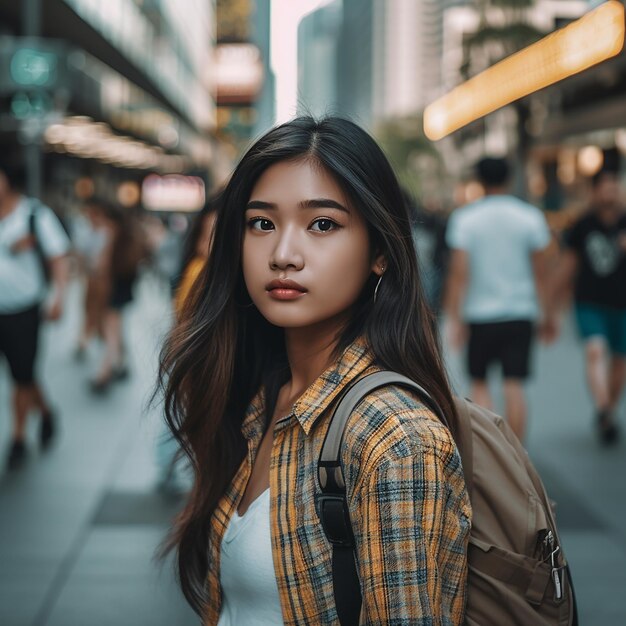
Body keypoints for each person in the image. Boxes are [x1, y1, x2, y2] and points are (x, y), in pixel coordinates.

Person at [157, 117, 471, 625]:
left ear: (381, 253)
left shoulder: (395, 440)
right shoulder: (265, 392)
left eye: (322, 224)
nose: (282, 255)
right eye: (262, 223)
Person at [445, 157, 554, 443]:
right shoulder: (530, 216)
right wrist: (548, 313)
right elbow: (541, 272)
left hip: (479, 314)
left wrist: (454, 318)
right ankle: (518, 456)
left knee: (479, 383)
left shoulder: (465, 219)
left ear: (479, 181)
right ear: (508, 178)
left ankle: (491, 453)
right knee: (514, 384)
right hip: (520, 311)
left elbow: (459, 273)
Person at [0, 160, 70, 469]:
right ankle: (45, 411)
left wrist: (59, 296)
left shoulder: (33, 215)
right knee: (22, 371)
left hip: (24, 308)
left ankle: (17, 438)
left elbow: (59, 257)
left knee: (21, 375)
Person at [553, 170, 626, 444]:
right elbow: (568, 265)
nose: (610, 193)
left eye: (613, 187)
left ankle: (607, 411)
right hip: (589, 302)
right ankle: (604, 408)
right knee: (595, 351)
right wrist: (551, 304)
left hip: (622, 304)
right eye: (604, 188)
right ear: (594, 192)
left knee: (620, 361)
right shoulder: (582, 225)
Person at [90, 202, 147, 393]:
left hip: (112, 288)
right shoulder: (131, 235)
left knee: (111, 331)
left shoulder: (112, 236)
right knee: (117, 329)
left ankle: (105, 372)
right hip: (124, 287)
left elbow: (101, 266)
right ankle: (122, 365)